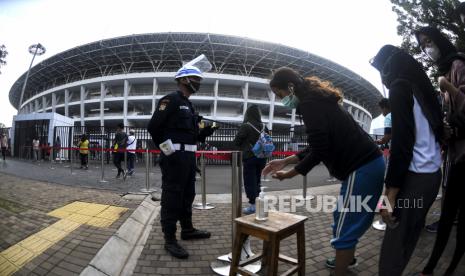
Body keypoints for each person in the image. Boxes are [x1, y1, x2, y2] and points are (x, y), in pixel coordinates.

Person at [263, 67, 385, 276]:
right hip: (367, 165)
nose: (281, 100)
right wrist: (286, 161)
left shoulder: (310, 104)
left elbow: (320, 149)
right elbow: (318, 144)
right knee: (346, 217)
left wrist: (290, 174)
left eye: (279, 94)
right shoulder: (316, 99)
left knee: (346, 222)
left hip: (361, 167)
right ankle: (346, 258)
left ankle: (340, 269)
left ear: (290, 87)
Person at [370, 45, 444, 276]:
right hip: (432, 177)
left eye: (381, 69)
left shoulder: (400, 87)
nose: (382, 76)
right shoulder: (422, 90)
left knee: (393, 248)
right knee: (409, 239)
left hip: (413, 178)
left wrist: (390, 193)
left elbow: (402, 143)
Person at [147, 59, 216, 259]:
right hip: (174, 158)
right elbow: (153, 128)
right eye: (195, 79)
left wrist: (206, 132)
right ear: (184, 79)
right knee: (172, 198)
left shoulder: (189, 106)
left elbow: (193, 136)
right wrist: (169, 152)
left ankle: (188, 230)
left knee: (188, 195)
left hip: (189, 158)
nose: (198, 82)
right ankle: (170, 239)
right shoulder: (171, 100)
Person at [414, 26, 465, 276]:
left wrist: (447, 85)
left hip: (463, 155)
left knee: (450, 214)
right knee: (451, 212)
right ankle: (435, 268)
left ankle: (432, 269)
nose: (427, 48)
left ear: (440, 41)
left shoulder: (457, 65)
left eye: (428, 41)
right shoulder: (447, 69)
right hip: (456, 153)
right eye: (423, 45)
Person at [233, 105, 267, 215]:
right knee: (257, 181)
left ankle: (253, 205)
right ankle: (259, 203)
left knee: (249, 181)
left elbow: (237, 141)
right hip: (262, 157)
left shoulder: (246, 126)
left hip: (250, 157)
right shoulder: (263, 126)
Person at [372, 98, 392, 231]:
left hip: (394, 153)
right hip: (401, 152)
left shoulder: (389, 117)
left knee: (389, 183)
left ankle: (383, 210)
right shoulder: (400, 113)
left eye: (382, 109)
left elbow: (387, 137)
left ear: (385, 107)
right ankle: (382, 207)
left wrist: (377, 142)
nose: (382, 113)